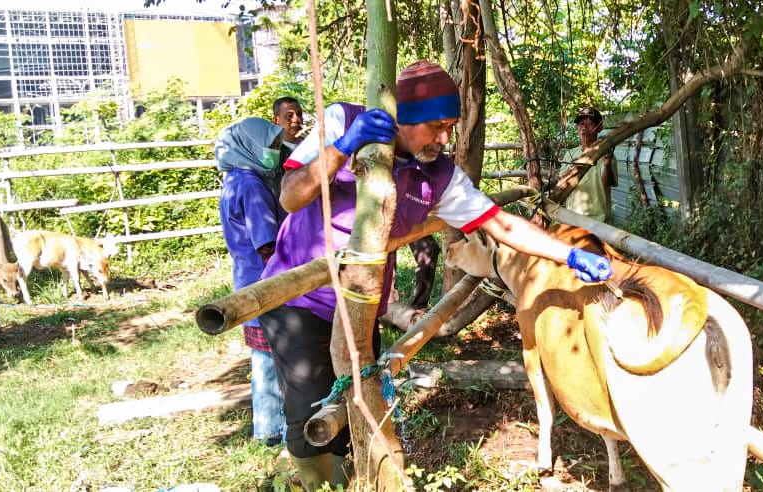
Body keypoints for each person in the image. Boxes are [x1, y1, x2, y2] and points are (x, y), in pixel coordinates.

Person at [258, 60, 613, 490]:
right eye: (436, 126)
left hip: (360, 304)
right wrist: (340, 149)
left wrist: (569, 255)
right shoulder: (343, 120)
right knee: (309, 411)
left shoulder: (439, 174)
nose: (445, 139)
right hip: (300, 300)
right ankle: (317, 483)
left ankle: (359, 479)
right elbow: (291, 196)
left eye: (451, 126)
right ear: (404, 118)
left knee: (357, 397)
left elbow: (501, 224)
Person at [215, 117, 288, 447]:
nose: (275, 152)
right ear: (250, 147)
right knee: (281, 362)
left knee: (262, 361)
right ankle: (287, 431)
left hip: (246, 280)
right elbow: (266, 245)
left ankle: (267, 428)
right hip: (265, 283)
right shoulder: (252, 186)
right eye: (270, 146)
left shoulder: (233, 179)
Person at [561, 107, 618, 224]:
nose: (584, 128)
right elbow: (562, 182)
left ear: (599, 128)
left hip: (598, 220)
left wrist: (607, 164)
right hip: (572, 218)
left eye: (590, 124)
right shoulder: (570, 154)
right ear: (577, 128)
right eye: (581, 124)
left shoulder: (606, 153)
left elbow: (608, 183)